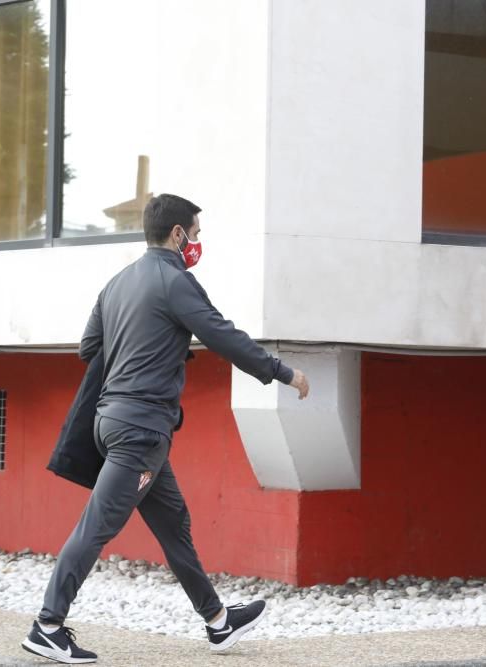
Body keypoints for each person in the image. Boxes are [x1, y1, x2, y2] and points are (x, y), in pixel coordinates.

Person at [21, 194, 310, 663]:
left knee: (174, 525)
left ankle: (217, 621)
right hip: (140, 431)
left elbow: (88, 347)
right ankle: (47, 626)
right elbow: (224, 336)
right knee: (96, 527)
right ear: (177, 234)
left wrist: (150, 344)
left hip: (113, 422)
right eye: (195, 234)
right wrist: (283, 372)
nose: (197, 243)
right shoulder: (176, 281)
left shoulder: (117, 283)